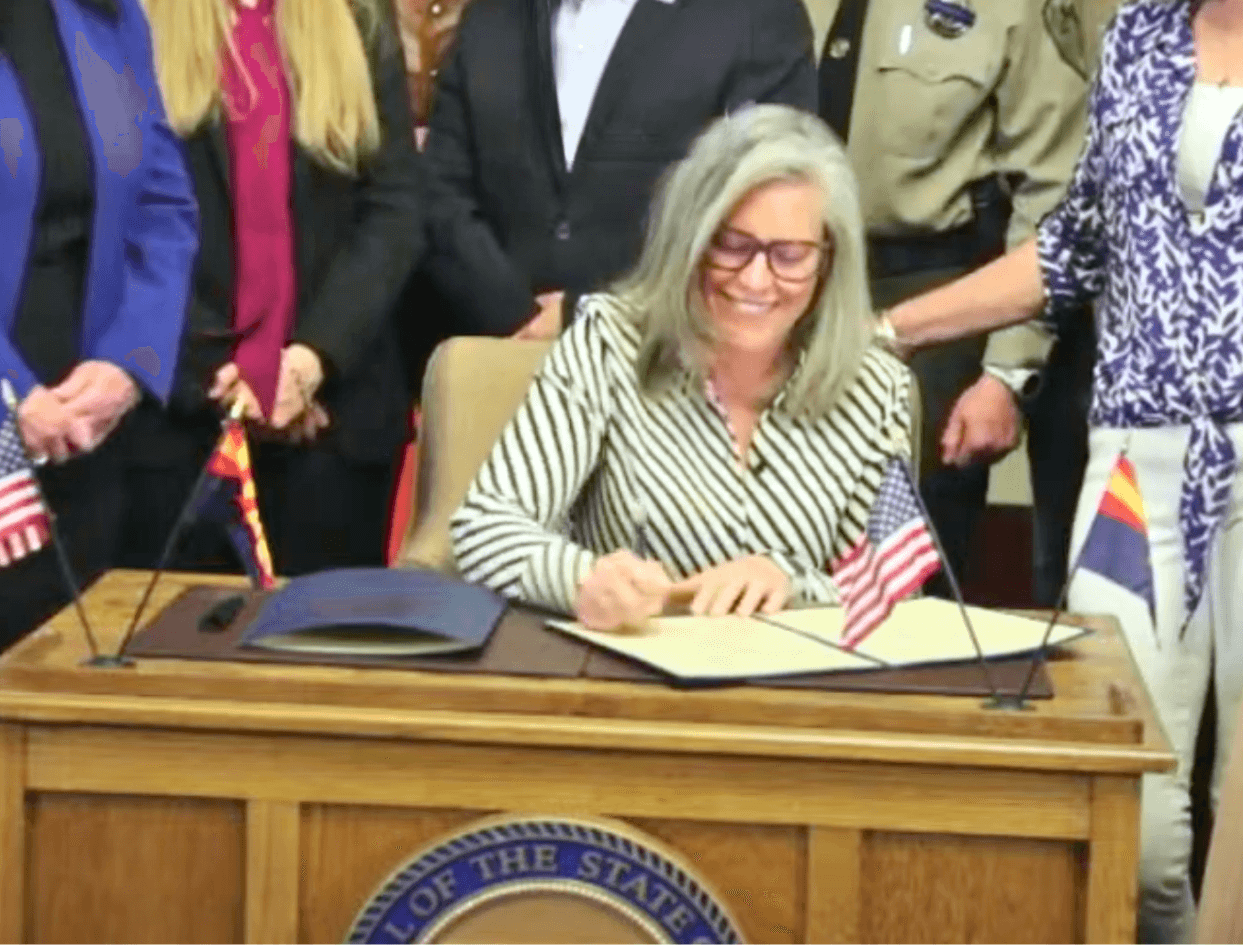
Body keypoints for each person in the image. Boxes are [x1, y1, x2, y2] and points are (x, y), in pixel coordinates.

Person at [879, 0, 1243, 938]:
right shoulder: (1137, 36)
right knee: (1130, 824)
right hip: (1133, 468)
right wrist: (889, 330)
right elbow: (1073, 244)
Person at [450, 104, 913, 630]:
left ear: (828, 260)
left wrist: (791, 583)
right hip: (630, 664)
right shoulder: (610, 342)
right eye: (731, 245)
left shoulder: (876, 386)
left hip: (796, 676)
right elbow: (485, 527)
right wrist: (582, 580)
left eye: (789, 255)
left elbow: (894, 589)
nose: (755, 281)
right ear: (689, 240)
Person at [124, 0, 424, 576]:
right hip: (181, 417)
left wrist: (310, 362)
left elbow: (396, 211)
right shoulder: (138, 17)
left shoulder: (360, 16)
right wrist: (227, 377)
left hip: (334, 419)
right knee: (179, 631)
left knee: (325, 632)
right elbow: (127, 216)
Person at [808, 0, 1093, 603]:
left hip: (943, 295)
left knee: (916, 568)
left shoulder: (1016, 10)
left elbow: (1055, 198)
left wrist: (1006, 373)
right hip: (813, 289)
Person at [414, 0, 819, 369]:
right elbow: (440, 190)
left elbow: (762, 212)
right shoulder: (492, 13)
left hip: (666, 376)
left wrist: (588, 315)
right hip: (492, 364)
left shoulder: (756, 16)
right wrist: (515, 316)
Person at [0, 0, 199, 647]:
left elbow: (164, 207)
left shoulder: (110, 16)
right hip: (15, 406)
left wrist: (128, 363)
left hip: (85, 425)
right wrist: (13, 393)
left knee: (67, 671)